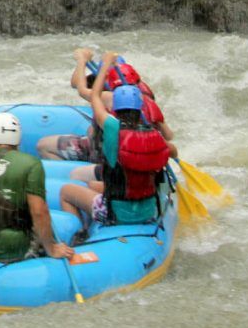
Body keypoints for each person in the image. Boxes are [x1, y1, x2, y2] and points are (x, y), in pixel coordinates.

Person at [59, 55, 170, 232]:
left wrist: (105, 67)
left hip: (116, 213)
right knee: (94, 185)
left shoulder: (112, 127)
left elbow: (94, 96)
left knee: (66, 191)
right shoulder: (155, 135)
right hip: (148, 210)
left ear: (115, 107)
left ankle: (79, 234)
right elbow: (170, 149)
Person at [0, 112, 71, 263]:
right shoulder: (31, 163)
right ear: (18, 137)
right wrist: (51, 248)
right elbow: (39, 211)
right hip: (10, 247)